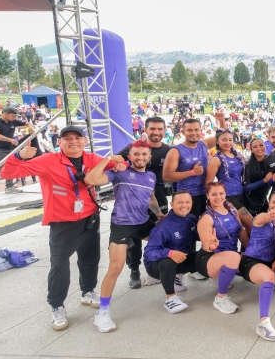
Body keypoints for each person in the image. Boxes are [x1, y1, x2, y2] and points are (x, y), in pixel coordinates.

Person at [0, 125, 119, 331]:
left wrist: (119, 162)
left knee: (90, 258)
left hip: (90, 217)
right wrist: (18, 156)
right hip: (62, 222)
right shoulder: (48, 160)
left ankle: (88, 291)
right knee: (59, 265)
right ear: (59, 142)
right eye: (67, 138)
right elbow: (8, 173)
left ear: (84, 141)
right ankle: (57, 305)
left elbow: (117, 165)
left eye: (77, 138)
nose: (73, 142)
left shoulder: (92, 159)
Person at [84, 139, 159, 332]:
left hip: (143, 222)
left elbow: (151, 198)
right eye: (136, 154)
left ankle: (160, 276)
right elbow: (91, 180)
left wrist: (158, 214)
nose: (140, 157)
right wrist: (109, 159)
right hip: (123, 224)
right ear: (130, 156)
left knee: (168, 241)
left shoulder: (151, 176)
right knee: (116, 267)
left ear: (149, 157)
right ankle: (102, 312)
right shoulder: (120, 172)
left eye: (144, 154)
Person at [112, 116, 172, 289]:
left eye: (160, 129)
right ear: (145, 130)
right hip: (134, 198)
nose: (156, 132)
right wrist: (119, 165)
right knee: (133, 237)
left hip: (157, 196)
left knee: (159, 233)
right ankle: (134, 271)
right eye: (152, 129)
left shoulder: (168, 150)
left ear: (164, 130)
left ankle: (154, 268)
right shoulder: (136, 147)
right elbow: (114, 158)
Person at [239, 193, 275, 341]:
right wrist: (269, 215)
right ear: (268, 202)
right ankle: (263, 324)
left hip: (271, 260)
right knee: (269, 277)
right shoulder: (260, 217)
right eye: (274, 202)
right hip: (251, 261)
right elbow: (263, 218)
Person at [142, 191, 198, 314]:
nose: (184, 205)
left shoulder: (192, 218)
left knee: (203, 256)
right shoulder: (162, 227)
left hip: (181, 259)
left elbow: (198, 236)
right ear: (172, 204)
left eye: (187, 202)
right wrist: (169, 253)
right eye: (180, 202)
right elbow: (148, 253)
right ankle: (170, 298)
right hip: (156, 265)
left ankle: (177, 277)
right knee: (168, 262)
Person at [196, 182, 246, 315]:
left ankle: (222, 275)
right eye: (214, 194)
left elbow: (241, 232)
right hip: (208, 257)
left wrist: (252, 253)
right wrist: (212, 245)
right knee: (234, 258)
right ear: (207, 196)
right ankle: (220, 297)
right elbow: (207, 245)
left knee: (250, 263)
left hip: (229, 255)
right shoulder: (206, 218)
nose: (218, 197)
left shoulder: (232, 209)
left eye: (221, 193)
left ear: (225, 194)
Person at [163, 114, 227, 218]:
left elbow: (223, 136)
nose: (194, 133)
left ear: (201, 131)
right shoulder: (176, 151)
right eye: (190, 130)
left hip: (205, 193)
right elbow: (167, 176)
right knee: (190, 228)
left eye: (196, 130)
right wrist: (192, 172)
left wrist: (221, 120)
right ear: (183, 132)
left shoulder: (203, 144)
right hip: (188, 196)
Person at [0, 107, 35, 193]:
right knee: (7, 165)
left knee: (11, 165)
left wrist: (31, 128)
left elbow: (28, 123)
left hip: (9, 148)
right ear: (5, 113)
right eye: (13, 115)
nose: (14, 117)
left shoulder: (13, 121)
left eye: (15, 116)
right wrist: (11, 140)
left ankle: (9, 186)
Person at [205, 128, 247, 210]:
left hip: (241, 194)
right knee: (249, 221)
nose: (227, 142)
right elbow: (208, 183)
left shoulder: (237, 156)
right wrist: (219, 199)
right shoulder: (216, 159)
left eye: (230, 140)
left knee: (242, 222)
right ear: (217, 141)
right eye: (224, 140)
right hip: (228, 197)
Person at [242, 137, 271, 215]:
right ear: (251, 150)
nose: (259, 148)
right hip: (251, 201)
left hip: (264, 198)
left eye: (261, 145)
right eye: (255, 147)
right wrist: (264, 180)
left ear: (265, 146)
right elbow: (246, 187)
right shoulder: (248, 165)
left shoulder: (271, 160)